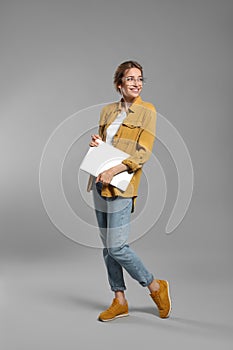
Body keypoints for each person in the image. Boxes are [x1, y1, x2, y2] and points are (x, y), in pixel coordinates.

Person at [88, 60, 171, 322]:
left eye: (140, 79)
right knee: (107, 247)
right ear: (119, 83)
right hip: (100, 180)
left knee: (117, 246)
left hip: (122, 184)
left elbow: (143, 151)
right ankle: (119, 299)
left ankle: (154, 286)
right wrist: (97, 143)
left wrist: (115, 171)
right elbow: (106, 144)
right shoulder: (107, 111)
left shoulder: (148, 111)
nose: (136, 83)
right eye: (131, 78)